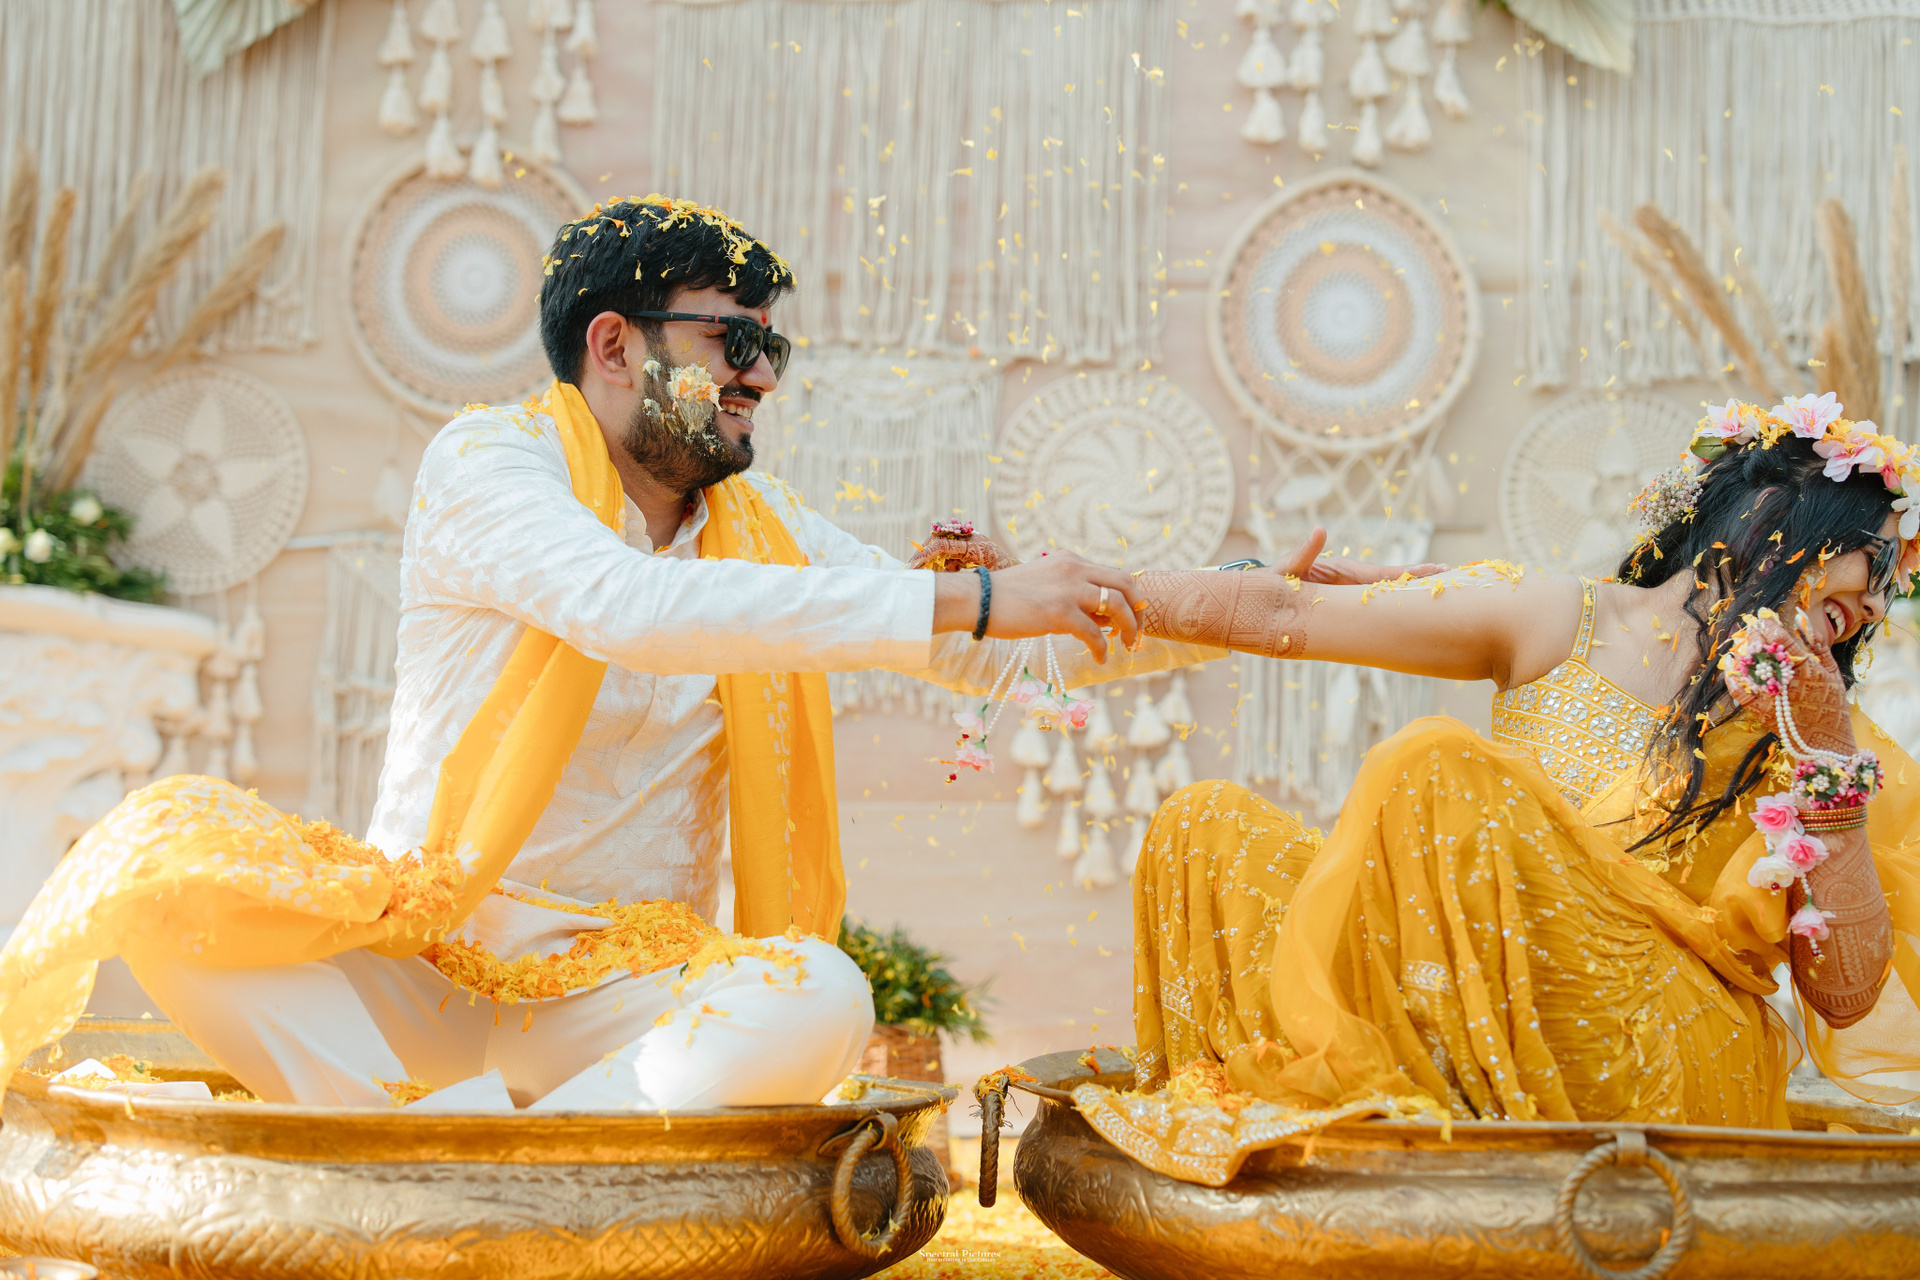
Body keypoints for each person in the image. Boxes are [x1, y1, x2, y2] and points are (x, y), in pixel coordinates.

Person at [0, 195, 1415, 1113]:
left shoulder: (767, 532)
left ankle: (431, 1158)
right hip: (418, 959)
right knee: (158, 865)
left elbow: (1002, 658)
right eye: (734, 339)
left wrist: (1241, 603)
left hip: (618, 1007)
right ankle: (449, 1144)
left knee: (817, 993)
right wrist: (975, 602)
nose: (759, 376)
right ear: (615, 345)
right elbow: (625, 606)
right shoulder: (491, 466)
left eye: (771, 352)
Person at [1092, 395, 1920, 1186]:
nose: (1856, 617)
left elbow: (1846, 994)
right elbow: (1285, 611)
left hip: (1657, 1043)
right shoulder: (1564, 616)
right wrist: (1074, 595)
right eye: (1857, 578)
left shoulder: (1825, 737)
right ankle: (1357, 1146)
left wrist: (1822, 757)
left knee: (1436, 766)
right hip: (1492, 994)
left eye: (1872, 606)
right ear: (1766, 521)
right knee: (1206, 827)